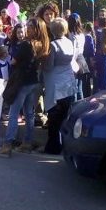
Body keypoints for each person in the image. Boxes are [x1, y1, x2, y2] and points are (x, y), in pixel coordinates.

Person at [0, 27, 39, 157]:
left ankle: (7, 145)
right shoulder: (39, 43)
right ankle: (27, 143)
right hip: (33, 81)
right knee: (29, 113)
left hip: (22, 82)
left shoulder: (26, 44)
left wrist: (10, 58)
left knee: (14, 113)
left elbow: (14, 61)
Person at [42, 18, 77, 155]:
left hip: (56, 83)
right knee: (64, 116)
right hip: (68, 80)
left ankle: (53, 147)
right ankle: (64, 145)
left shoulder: (53, 45)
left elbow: (49, 66)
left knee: (54, 119)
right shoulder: (69, 42)